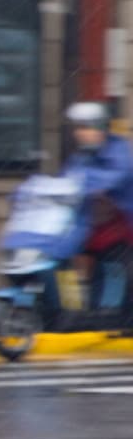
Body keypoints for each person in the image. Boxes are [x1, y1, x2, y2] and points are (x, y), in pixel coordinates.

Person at [65, 101, 133, 306]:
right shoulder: (81, 157)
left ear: (101, 127)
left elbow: (117, 175)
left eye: (86, 127)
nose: (80, 133)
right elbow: (66, 179)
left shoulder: (118, 151)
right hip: (91, 227)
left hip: (122, 227)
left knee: (114, 264)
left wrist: (88, 186)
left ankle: (110, 312)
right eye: (78, 128)